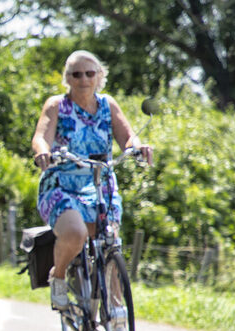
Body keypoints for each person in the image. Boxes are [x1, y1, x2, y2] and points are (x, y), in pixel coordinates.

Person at [29, 50, 151, 309]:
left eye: (89, 73)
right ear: (68, 79)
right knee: (75, 233)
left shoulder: (108, 105)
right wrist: (43, 153)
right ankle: (59, 276)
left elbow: (127, 136)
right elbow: (41, 136)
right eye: (76, 74)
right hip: (61, 183)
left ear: (99, 76)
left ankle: (117, 314)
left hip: (100, 183)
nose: (83, 78)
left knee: (111, 243)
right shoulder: (56, 105)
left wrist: (137, 147)